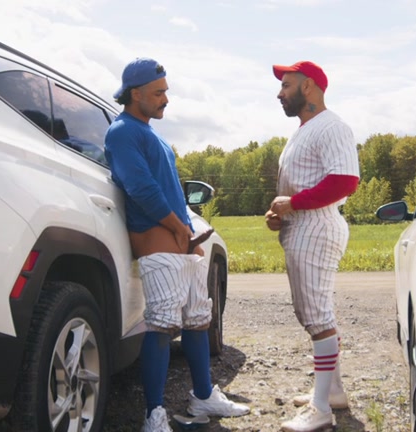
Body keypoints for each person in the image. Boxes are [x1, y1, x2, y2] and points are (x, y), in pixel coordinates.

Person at [105, 57, 250, 432]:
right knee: (162, 326)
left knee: (199, 320)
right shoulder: (122, 132)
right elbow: (141, 189)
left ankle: (202, 396)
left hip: (179, 241)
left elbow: (168, 189)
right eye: (158, 93)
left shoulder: (152, 133)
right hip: (158, 241)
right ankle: (154, 416)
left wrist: (188, 234)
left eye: (166, 91)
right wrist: (178, 229)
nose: (166, 99)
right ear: (135, 94)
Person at [265, 60, 360, 432]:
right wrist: (281, 211)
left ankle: (320, 409)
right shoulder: (304, 130)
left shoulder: (332, 126)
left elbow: (345, 182)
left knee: (316, 317)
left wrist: (294, 205)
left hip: (317, 226)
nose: (279, 93)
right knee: (315, 313)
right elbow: (301, 187)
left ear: (308, 88)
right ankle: (332, 391)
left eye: (286, 85)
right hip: (302, 224)